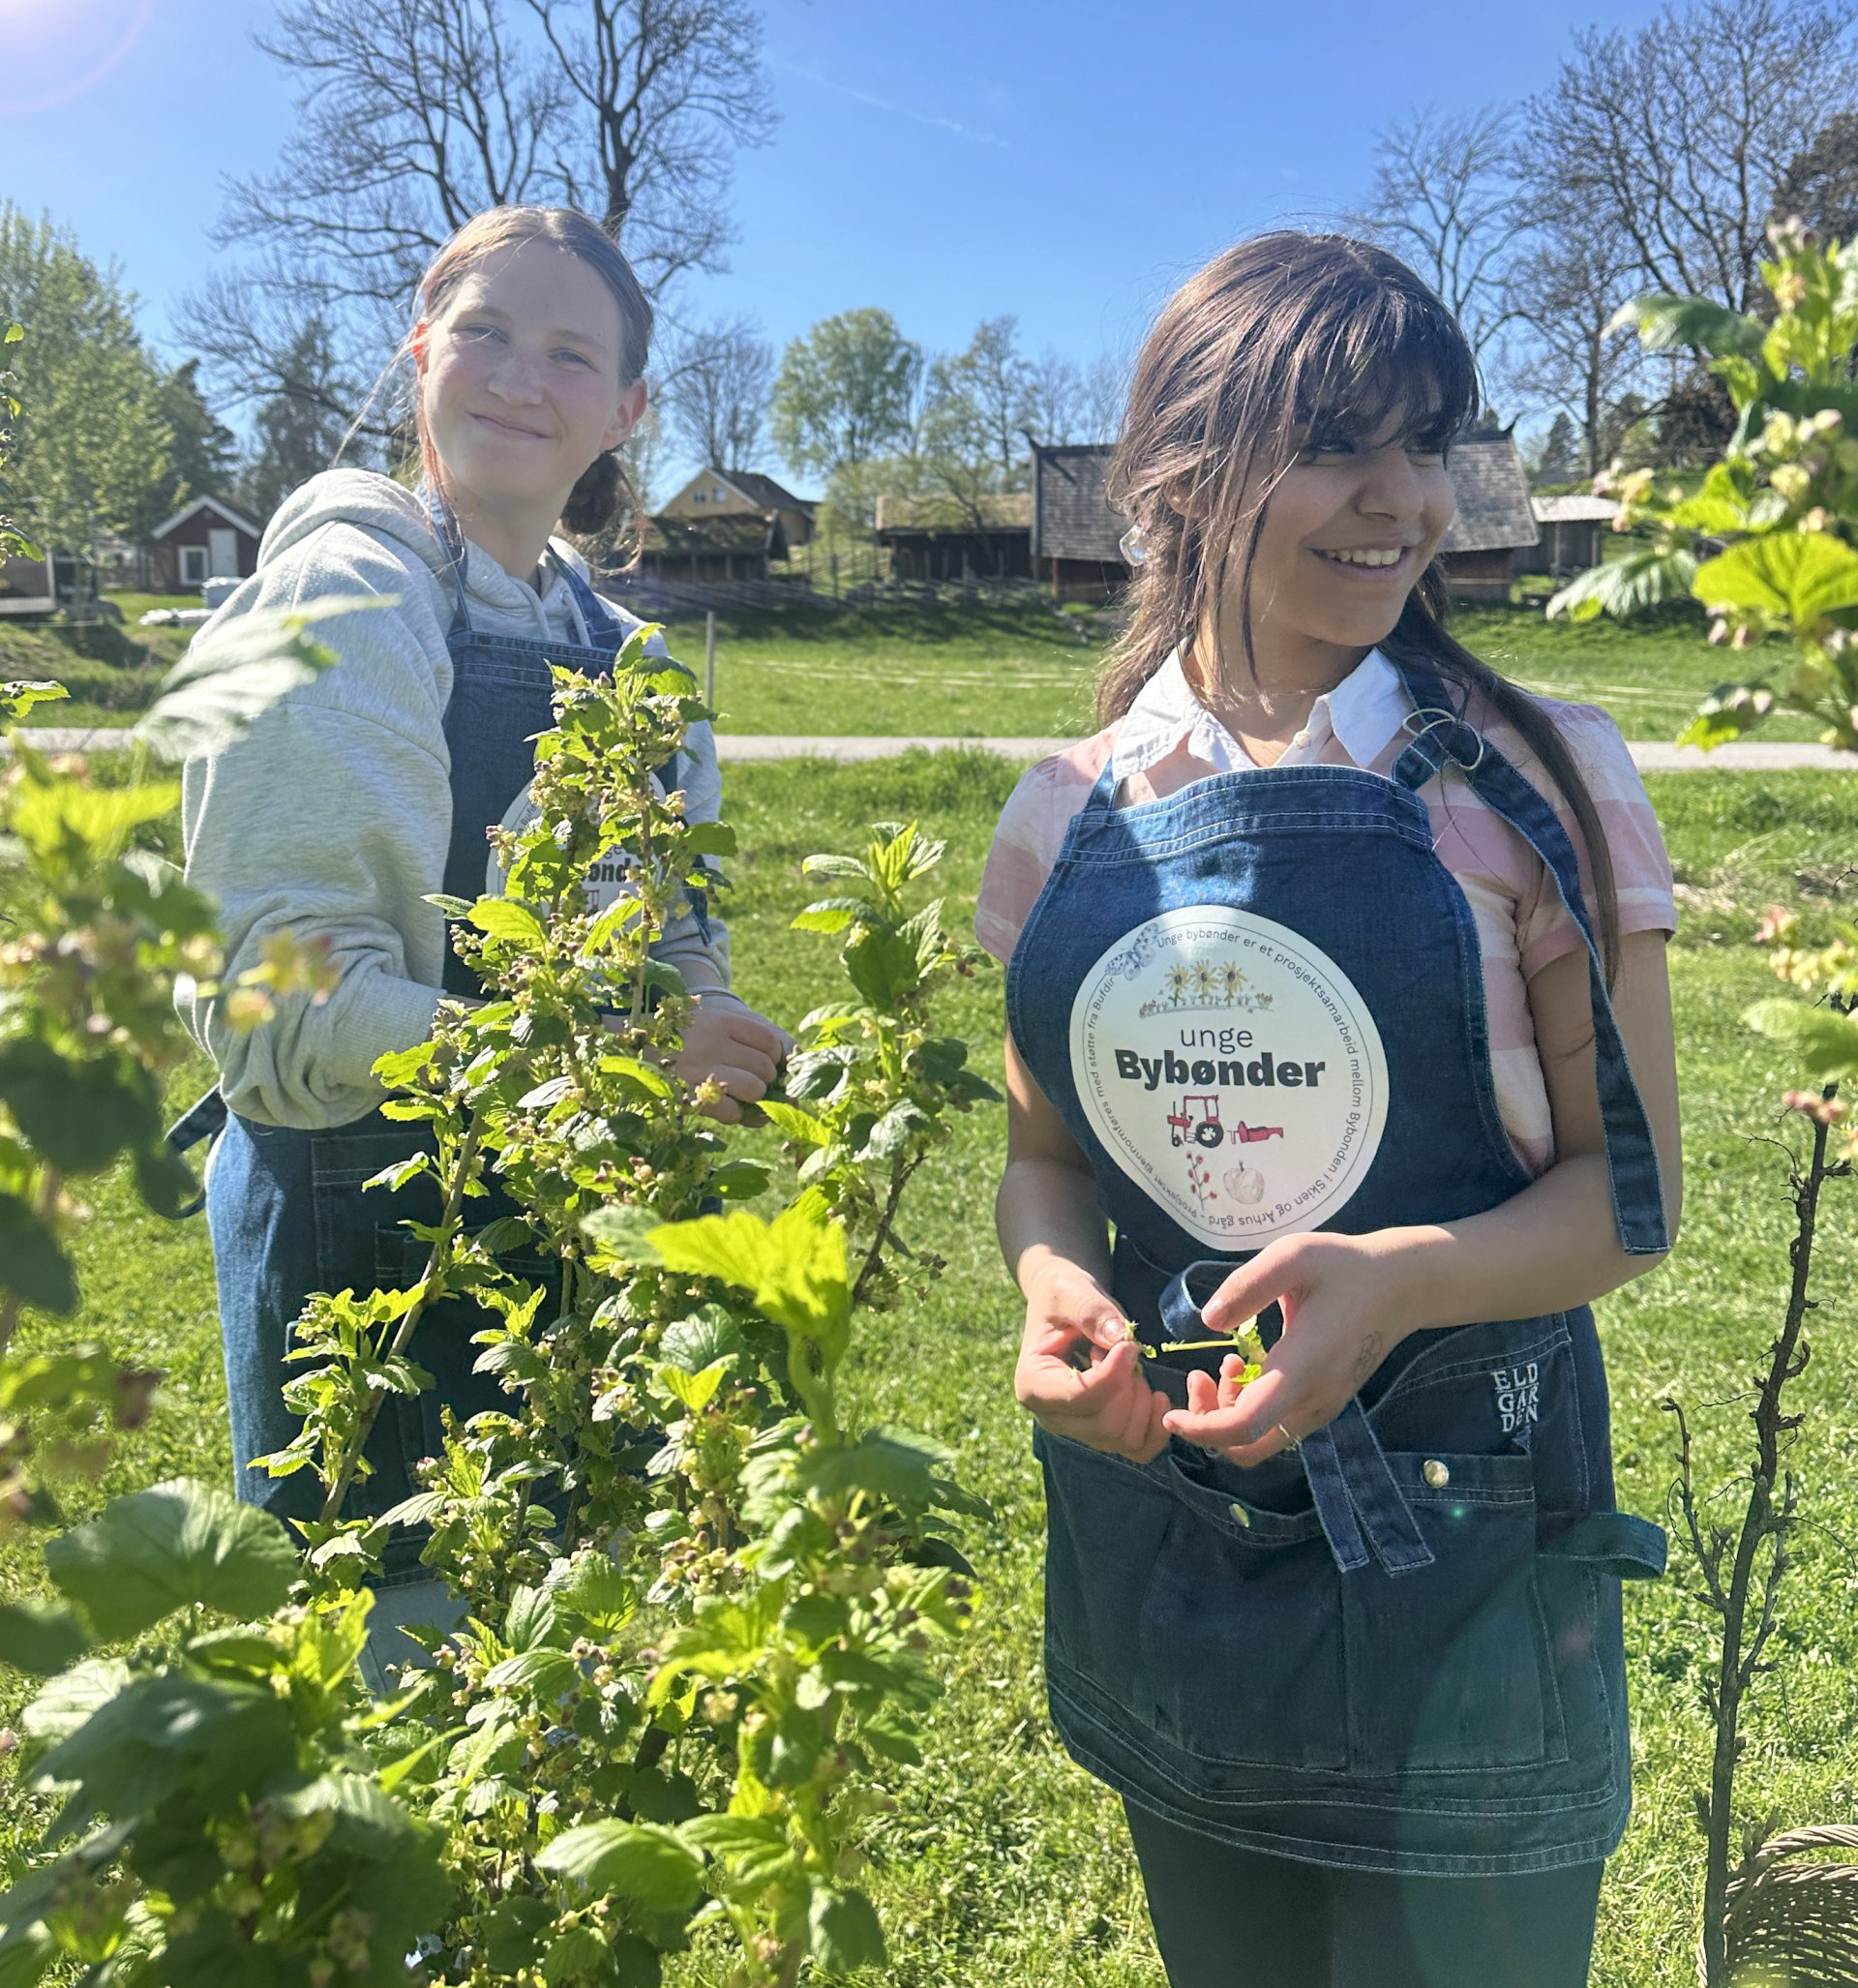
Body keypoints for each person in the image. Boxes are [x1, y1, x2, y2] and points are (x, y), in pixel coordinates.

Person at [980, 233, 1682, 1988]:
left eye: (1426, 441)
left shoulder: (1538, 783)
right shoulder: (1067, 815)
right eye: (1338, 445)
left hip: (1473, 1563)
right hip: (1187, 1546)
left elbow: (1633, 1196)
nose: (1404, 499)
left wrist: (1402, 1282)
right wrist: (1056, 1286)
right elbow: (1045, 1159)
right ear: (1182, 476)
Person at [174, 204, 788, 1678]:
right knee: (396, 1688)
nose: (521, 377)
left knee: (558, 1675)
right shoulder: (347, 589)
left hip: (568, 1243)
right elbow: (278, 1006)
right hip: (363, 1237)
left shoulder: (631, 666)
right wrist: (614, 1062)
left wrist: (701, 1026)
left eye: (573, 353)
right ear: (420, 353)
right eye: (486, 332)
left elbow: (673, 927)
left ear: (627, 410)